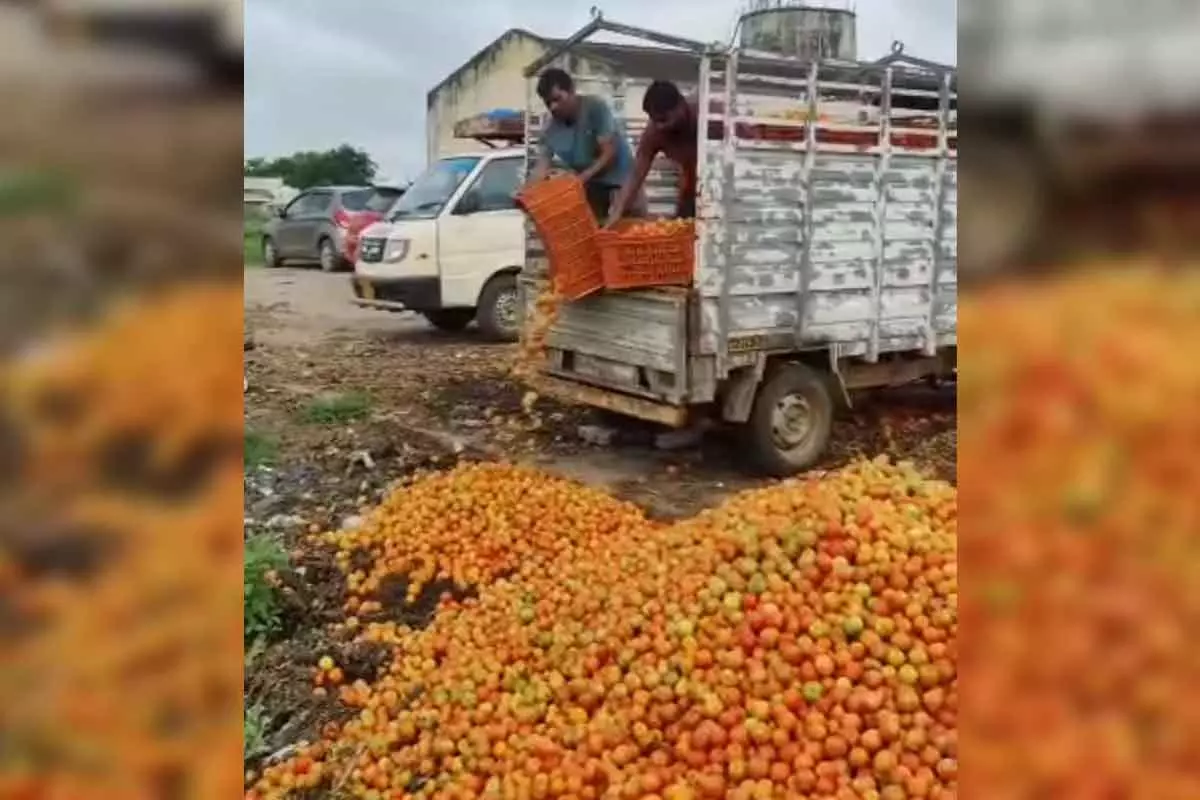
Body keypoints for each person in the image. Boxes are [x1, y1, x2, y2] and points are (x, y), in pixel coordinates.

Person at [528, 68, 637, 223]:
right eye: (548, 103)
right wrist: (527, 192)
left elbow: (609, 153)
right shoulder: (550, 130)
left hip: (623, 181)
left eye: (557, 99)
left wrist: (581, 178)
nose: (553, 107)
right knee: (591, 235)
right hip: (591, 187)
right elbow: (541, 167)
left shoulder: (595, 107)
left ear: (571, 91)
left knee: (629, 232)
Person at [608, 79, 698, 225]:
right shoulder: (654, 133)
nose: (659, 126)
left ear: (681, 105)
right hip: (690, 188)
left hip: (715, 183)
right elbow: (635, 174)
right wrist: (617, 211)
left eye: (664, 119)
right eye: (653, 120)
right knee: (682, 228)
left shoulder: (706, 116)